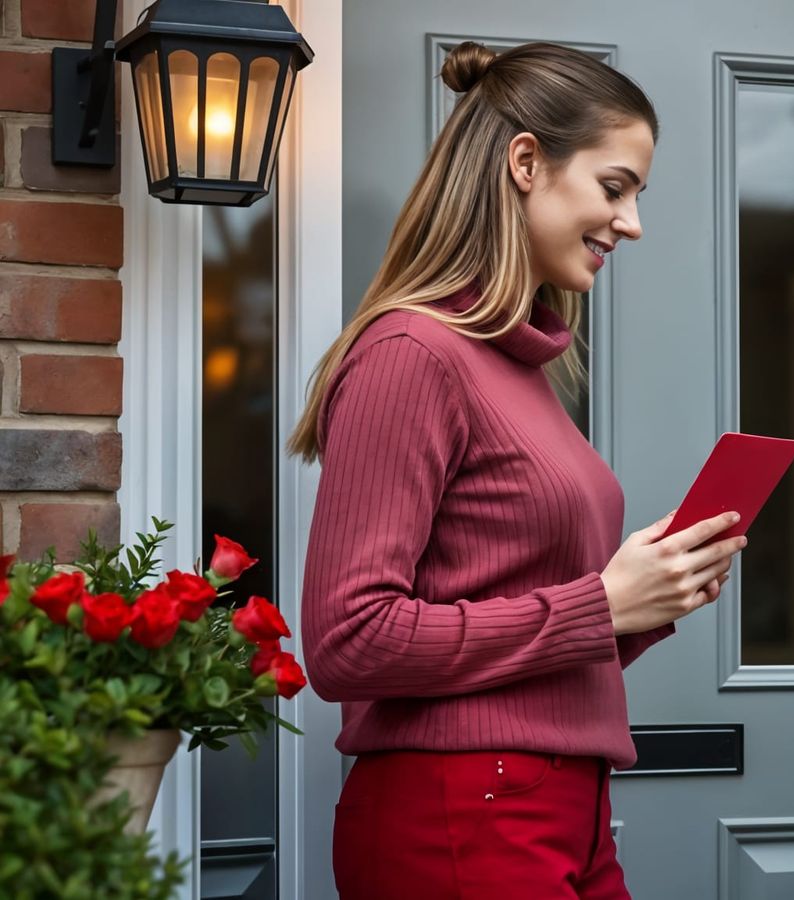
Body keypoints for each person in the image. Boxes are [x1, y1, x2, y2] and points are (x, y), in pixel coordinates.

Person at [289, 41, 744, 899]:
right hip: (462, 811)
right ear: (527, 163)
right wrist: (597, 603)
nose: (633, 222)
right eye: (615, 188)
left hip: (559, 804)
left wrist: (644, 601)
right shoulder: (412, 354)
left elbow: (512, 615)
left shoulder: (520, 370)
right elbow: (350, 641)